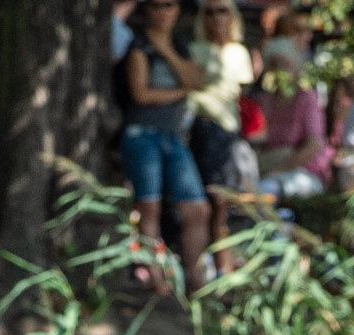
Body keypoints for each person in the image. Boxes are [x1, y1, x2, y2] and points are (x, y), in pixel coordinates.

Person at [120, 0, 209, 291]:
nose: (162, 11)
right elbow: (141, 94)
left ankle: (197, 280)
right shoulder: (138, 47)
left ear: (177, 11)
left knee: (198, 210)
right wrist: (180, 91)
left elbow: (196, 80)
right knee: (150, 209)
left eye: (168, 5)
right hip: (142, 135)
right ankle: (157, 281)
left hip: (173, 137)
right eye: (156, 6)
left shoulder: (180, 47)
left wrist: (166, 49)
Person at [188, 0, 252, 242]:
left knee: (226, 199)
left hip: (230, 131)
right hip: (203, 127)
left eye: (222, 10)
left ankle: (223, 254)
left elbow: (241, 96)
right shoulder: (195, 49)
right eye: (209, 12)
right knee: (208, 196)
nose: (216, 17)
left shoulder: (239, 52)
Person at [252, 29, 328, 198]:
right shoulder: (265, 100)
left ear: (295, 66)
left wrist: (278, 170)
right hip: (266, 167)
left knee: (266, 188)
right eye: (274, 64)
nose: (279, 70)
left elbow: (314, 145)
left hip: (301, 173)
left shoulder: (306, 99)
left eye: (284, 64)